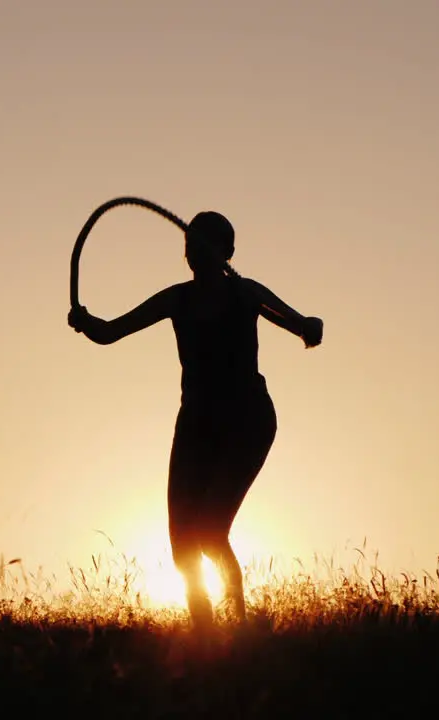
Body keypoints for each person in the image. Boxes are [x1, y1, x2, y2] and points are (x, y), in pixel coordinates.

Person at [67, 210, 323, 628]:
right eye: (190, 245)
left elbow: (304, 326)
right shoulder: (177, 299)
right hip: (197, 424)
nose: (194, 252)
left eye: (204, 244)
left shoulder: (246, 294)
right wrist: (85, 322)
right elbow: (111, 332)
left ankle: (237, 630)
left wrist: (310, 326)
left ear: (227, 252)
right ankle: (204, 634)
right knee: (182, 538)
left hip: (248, 420)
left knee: (209, 529)